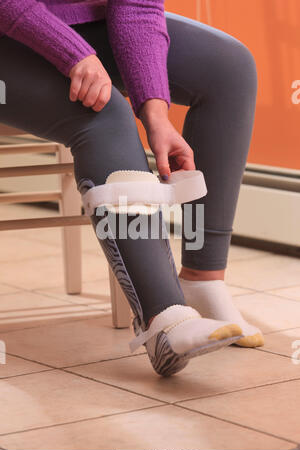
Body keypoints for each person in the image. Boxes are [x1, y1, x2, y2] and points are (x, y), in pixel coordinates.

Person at [0, 0, 263, 377]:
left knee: (228, 67)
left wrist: (155, 112)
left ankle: (203, 281)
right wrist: (74, 55)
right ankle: (164, 318)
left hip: (81, 22)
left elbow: (136, 6)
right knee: (101, 112)